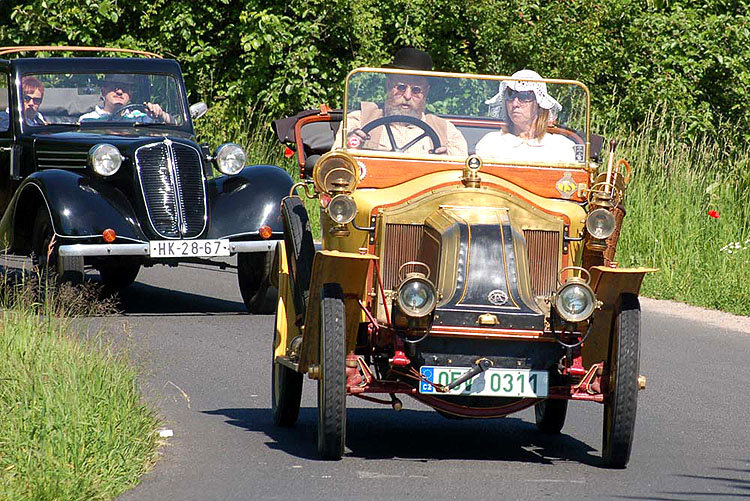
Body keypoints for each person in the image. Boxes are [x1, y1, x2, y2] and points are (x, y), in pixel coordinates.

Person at [335, 48, 467, 156]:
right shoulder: (359, 120)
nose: (407, 96)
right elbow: (334, 165)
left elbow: (460, 176)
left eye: (416, 90)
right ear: (388, 85)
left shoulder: (446, 131)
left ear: (426, 92)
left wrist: (445, 161)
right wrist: (349, 146)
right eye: (401, 87)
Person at [475, 69, 577, 163]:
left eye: (524, 96)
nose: (515, 104)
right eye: (510, 95)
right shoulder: (491, 144)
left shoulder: (561, 148)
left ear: (539, 104)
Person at [79, 74, 172, 123]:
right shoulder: (87, 120)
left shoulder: (140, 118)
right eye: (114, 87)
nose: (119, 92)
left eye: (125, 88)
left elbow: (175, 125)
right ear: (103, 91)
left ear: (130, 95)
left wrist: (160, 114)